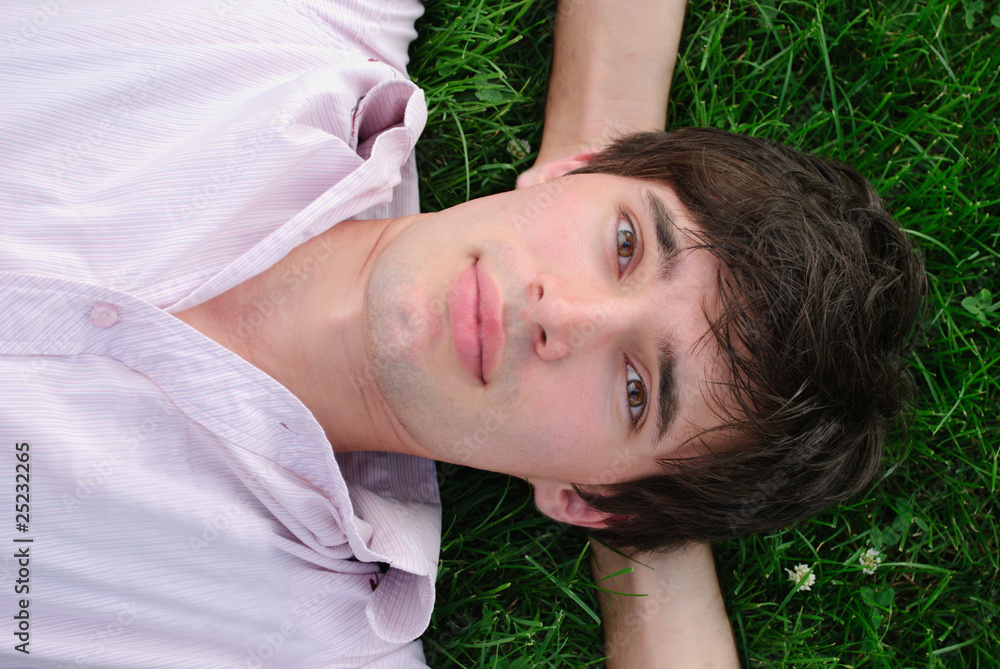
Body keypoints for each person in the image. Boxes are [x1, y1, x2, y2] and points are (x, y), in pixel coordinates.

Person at [0, 0, 922, 667]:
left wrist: (651, 526)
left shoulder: (301, 640)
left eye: (637, 389)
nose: (564, 315)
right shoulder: (294, 22)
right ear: (579, 167)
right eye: (626, 244)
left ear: (590, 502)